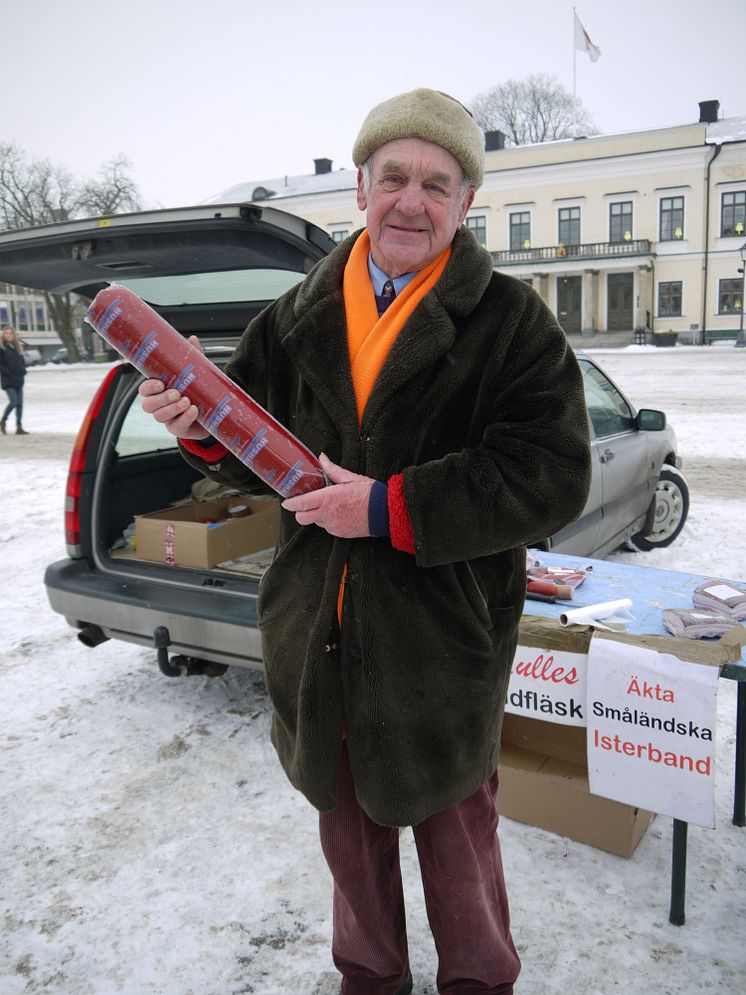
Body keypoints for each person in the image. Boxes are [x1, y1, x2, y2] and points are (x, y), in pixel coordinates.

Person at [140, 88, 592, 995]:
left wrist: (388, 506)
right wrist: (194, 424)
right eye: (394, 176)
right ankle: (369, 980)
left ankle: (479, 982)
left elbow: (550, 476)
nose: (412, 201)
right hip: (318, 637)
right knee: (351, 855)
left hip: (441, 651)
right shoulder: (299, 313)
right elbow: (247, 449)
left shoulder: (512, 325)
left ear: (466, 204)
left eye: (436, 182)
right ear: (360, 187)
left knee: (461, 859)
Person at [1, 326, 29, 435]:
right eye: (6, 333)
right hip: (8, 380)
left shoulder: (18, 347)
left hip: (19, 379)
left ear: (14, 335)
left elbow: (22, 361)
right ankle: (3, 421)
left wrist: (23, 370)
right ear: (4, 335)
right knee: (14, 401)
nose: (8, 335)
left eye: (10, 333)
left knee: (20, 404)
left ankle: (19, 427)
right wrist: (7, 372)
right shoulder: (1, 347)